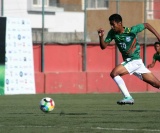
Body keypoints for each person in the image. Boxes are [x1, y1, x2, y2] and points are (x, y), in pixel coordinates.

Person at [97, 13, 160, 105]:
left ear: (120, 23)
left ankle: (128, 97)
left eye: (113, 24)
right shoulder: (112, 33)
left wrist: (158, 36)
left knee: (114, 73)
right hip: (135, 64)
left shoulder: (131, 30)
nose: (112, 27)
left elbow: (146, 25)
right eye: (110, 24)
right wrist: (101, 37)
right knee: (157, 84)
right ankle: (128, 97)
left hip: (134, 60)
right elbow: (103, 46)